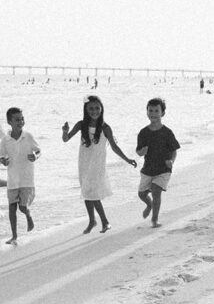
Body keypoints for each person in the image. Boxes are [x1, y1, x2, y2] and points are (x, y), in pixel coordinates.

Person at [62, 95, 137, 234]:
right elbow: (66, 139)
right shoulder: (81, 124)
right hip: (84, 163)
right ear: (86, 109)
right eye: (91, 108)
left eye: (97, 108)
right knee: (86, 192)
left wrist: (127, 159)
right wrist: (64, 131)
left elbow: (114, 147)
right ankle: (92, 221)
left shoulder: (105, 128)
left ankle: (105, 222)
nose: (94, 111)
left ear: (102, 109)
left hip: (97, 165)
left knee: (94, 194)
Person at [0, 107, 41, 244]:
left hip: (27, 179)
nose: (20, 121)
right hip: (12, 179)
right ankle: (14, 235)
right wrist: (3, 160)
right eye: (16, 119)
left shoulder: (28, 136)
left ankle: (28, 215)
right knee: (11, 207)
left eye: (22, 118)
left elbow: (38, 150)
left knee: (22, 207)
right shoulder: (5, 140)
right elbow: (1, 155)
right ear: (9, 121)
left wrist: (35, 155)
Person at [136, 97, 180, 228]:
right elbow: (138, 151)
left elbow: (174, 150)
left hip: (163, 169)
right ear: (147, 112)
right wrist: (142, 152)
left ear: (163, 113)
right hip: (148, 169)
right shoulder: (143, 133)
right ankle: (149, 204)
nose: (153, 113)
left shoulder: (167, 132)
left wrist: (172, 161)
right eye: (150, 110)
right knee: (142, 194)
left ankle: (154, 220)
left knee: (156, 190)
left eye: (156, 111)